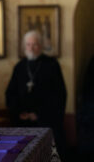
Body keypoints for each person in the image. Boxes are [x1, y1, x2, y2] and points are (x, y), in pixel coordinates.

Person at [5, 30, 67, 158]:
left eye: (35, 44)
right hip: (23, 123)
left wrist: (39, 114)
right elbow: (10, 93)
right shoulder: (20, 66)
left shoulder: (51, 65)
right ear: (24, 46)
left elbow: (59, 95)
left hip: (46, 122)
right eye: (28, 44)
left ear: (41, 46)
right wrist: (19, 112)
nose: (31, 48)